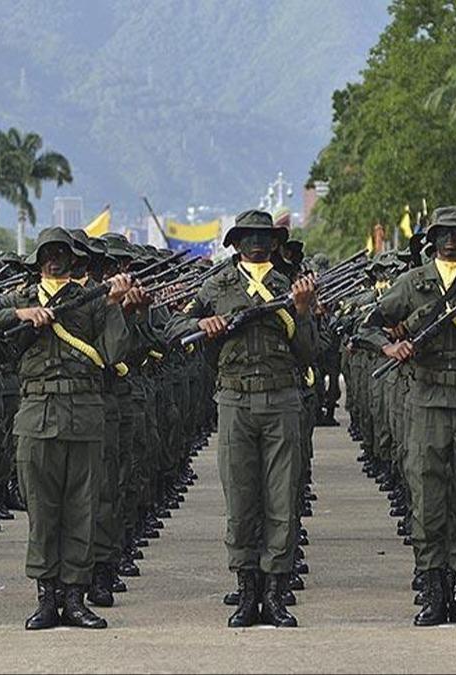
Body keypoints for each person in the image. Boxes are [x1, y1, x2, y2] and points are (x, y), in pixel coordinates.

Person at [0, 227, 137, 630]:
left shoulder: (90, 299)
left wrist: (113, 306)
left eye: (61, 252)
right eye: (47, 253)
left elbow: (112, 353)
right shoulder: (20, 296)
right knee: (42, 511)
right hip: (36, 413)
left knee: (81, 509)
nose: (54, 259)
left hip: (85, 413)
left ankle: (75, 597)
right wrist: (16, 315)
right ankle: (46, 598)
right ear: (37, 259)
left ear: (73, 259)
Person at [165, 209, 317, 628]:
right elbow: (175, 325)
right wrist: (201, 322)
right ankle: (247, 591)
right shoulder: (215, 285)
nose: (256, 243)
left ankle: (275, 594)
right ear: (234, 242)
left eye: (263, 236)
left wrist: (302, 312)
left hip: (282, 399)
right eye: (248, 235)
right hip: (234, 400)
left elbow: (309, 353)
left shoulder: (290, 286)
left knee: (282, 500)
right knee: (240, 499)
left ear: (274, 242)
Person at [360, 206, 456, 626]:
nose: (450, 240)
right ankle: (432, 588)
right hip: (426, 396)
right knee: (426, 496)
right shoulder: (413, 283)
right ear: (432, 238)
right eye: (443, 233)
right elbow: (367, 326)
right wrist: (389, 347)